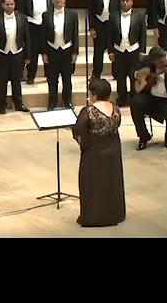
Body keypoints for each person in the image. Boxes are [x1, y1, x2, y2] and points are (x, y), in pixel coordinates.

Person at [71, 78, 125, 228]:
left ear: (93, 94)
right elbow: (116, 125)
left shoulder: (88, 110)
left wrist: (84, 145)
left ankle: (93, 216)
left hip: (94, 152)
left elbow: (78, 130)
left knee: (92, 183)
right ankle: (115, 213)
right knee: (111, 182)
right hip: (113, 151)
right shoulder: (116, 108)